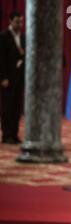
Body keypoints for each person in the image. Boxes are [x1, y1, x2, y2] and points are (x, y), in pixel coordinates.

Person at [0, 12, 25, 144]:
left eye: (21, 22)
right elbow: (1, 59)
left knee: (16, 108)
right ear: (10, 21)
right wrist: (3, 77)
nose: (20, 25)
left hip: (19, 79)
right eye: (17, 22)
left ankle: (14, 134)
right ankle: (6, 134)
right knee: (7, 107)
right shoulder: (3, 36)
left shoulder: (23, 37)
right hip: (7, 79)